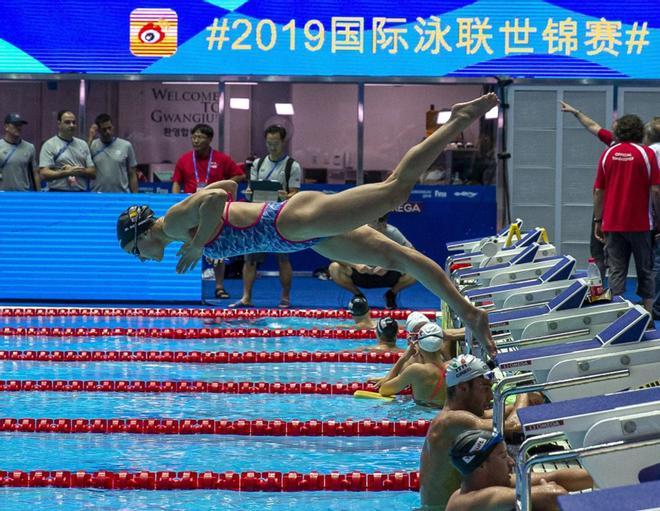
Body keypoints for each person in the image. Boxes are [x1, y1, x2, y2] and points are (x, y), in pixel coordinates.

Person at [116, 93, 499, 356]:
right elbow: (231, 185)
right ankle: (471, 313)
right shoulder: (178, 225)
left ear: (142, 234)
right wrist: (204, 236)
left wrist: (199, 243)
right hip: (301, 238)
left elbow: (216, 198)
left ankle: (458, 119)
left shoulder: (176, 220)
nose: (141, 258)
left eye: (135, 252)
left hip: (293, 221)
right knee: (402, 258)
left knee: (395, 190)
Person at [419, 354, 532, 509]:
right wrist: (523, 388)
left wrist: (531, 397)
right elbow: (515, 426)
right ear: (463, 388)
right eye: (485, 389)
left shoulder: (460, 416)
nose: (491, 397)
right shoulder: (451, 421)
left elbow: (504, 413)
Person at [593, 114, 660, 312]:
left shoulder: (608, 154)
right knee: (645, 270)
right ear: (640, 131)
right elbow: (656, 191)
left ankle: (619, 316)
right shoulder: (646, 154)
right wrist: (659, 220)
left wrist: (598, 219)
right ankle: (647, 316)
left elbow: (599, 191)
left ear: (619, 131)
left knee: (616, 270)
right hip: (641, 223)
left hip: (613, 223)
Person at [231, 124, 303, 308]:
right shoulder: (258, 164)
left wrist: (283, 195)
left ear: (283, 142)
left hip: (281, 218)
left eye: (276, 143)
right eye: (269, 143)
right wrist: (248, 194)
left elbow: (295, 193)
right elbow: (250, 188)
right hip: (257, 217)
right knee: (250, 259)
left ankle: (285, 298)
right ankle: (246, 297)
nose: (272, 147)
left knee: (283, 258)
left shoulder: (292, 166)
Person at [171, 123, 245, 300]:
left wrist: (223, 186)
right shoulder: (184, 159)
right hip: (190, 210)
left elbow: (240, 176)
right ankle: (189, 287)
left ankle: (219, 286)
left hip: (213, 209)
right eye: (194, 137)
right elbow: (176, 182)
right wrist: (175, 200)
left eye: (200, 137)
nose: (196, 140)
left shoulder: (221, 159)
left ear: (210, 139)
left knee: (216, 246)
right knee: (191, 243)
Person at [445, 429, 592, 511]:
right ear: (482, 465)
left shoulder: (490, 483)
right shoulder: (476, 500)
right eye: (503, 457)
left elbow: (555, 477)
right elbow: (555, 496)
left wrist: (607, 475)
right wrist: (546, 489)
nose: (512, 462)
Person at [560, 100, 616, 282]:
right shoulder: (624, 144)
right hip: (621, 209)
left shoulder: (617, 146)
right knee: (612, 256)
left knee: (601, 253)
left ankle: (598, 291)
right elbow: (593, 126)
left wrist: (598, 218)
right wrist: (576, 112)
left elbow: (599, 190)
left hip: (608, 207)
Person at [328, 214, 417, 309]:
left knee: (415, 270)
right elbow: (333, 256)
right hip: (360, 273)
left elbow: (412, 254)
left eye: (380, 225)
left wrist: (388, 265)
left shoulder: (392, 232)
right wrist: (356, 265)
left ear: (385, 224)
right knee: (334, 268)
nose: (377, 229)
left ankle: (391, 294)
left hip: (386, 273)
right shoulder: (353, 232)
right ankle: (359, 296)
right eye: (373, 226)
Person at [378, 322, 448, 407]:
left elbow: (383, 389)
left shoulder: (416, 370)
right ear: (441, 344)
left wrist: (403, 358)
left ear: (419, 344)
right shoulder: (451, 367)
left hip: (421, 414)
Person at [39, 110, 95, 191]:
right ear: (59, 124)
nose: (72, 125)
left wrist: (77, 170)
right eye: (67, 122)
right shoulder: (49, 145)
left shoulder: (83, 144)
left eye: (74, 122)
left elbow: (93, 173)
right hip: (57, 193)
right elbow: (44, 173)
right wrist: (66, 173)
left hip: (80, 194)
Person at [87, 113, 138, 193]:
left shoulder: (126, 145)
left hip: (121, 195)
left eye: (109, 128)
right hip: (98, 195)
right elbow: (83, 164)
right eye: (104, 129)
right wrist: (90, 137)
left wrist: (135, 197)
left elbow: (132, 174)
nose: (108, 132)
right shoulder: (92, 146)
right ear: (99, 130)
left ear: (113, 127)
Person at [0, 113, 39, 191]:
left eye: (20, 125)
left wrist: (39, 195)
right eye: (15, 124)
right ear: (6, 127)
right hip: (2, 194)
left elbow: (35, 174)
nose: (19, 127)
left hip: (23, 194)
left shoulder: (29, 147)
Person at [645, 118, 660, 319]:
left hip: (654, 212)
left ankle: (655, 306)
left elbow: (655, 190)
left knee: (656, 260)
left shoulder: (650, 153)